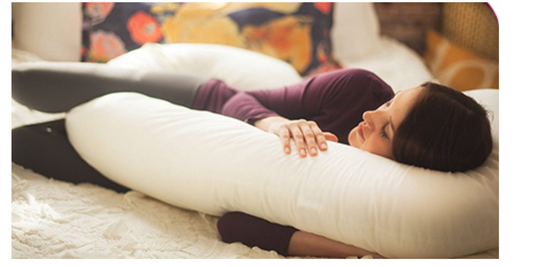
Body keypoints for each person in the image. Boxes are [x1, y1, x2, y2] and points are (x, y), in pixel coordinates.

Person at [11, 62, 493, 259]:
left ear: (410, 163)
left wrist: (348, 252)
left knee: (24, 145)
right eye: (393, 101)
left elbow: (235, 223)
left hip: (172, 163)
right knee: (28, 82)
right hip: (203, 102)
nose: (372, 113)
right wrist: (273, 125)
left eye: (386, 128)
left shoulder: (369, 199)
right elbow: (240, 96)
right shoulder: (360, 89)